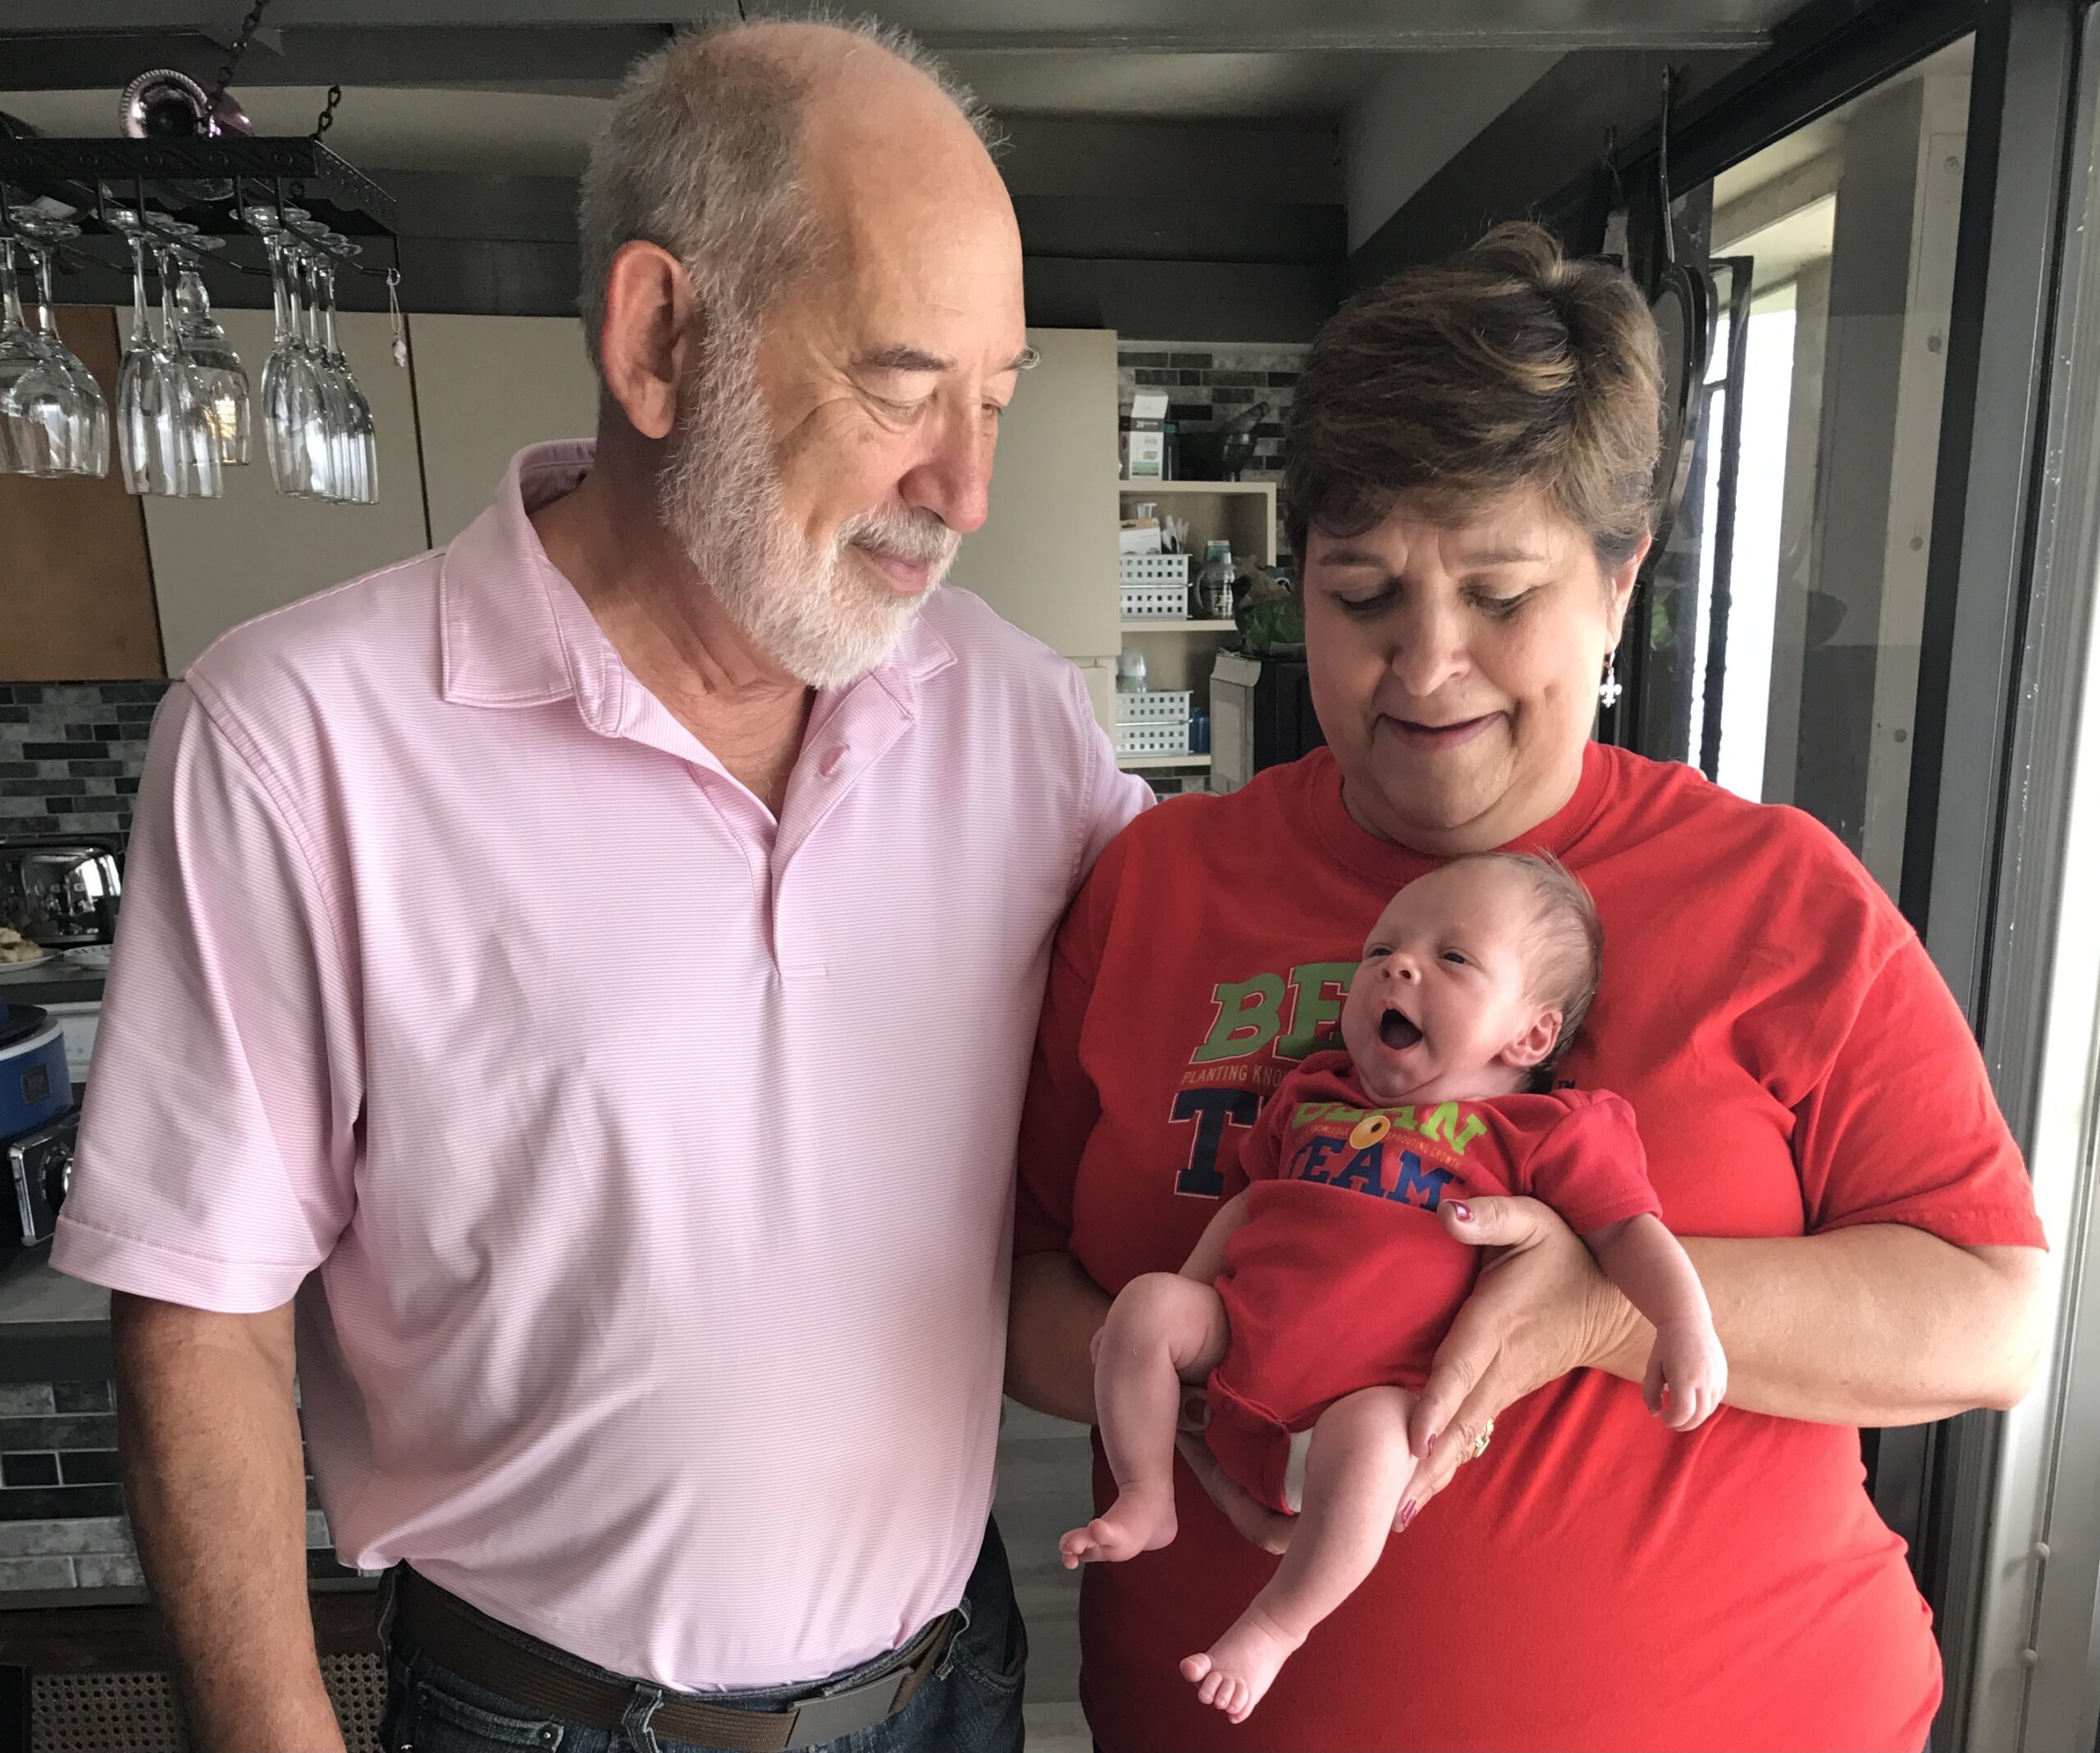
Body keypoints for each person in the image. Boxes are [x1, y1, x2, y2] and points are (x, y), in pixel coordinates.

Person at [52, 21, 1148, 1753]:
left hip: (951, 1689)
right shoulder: (300, 738)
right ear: (657, 337)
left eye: (993, 401)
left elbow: (1234, 1000)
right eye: (900, 383)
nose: (966, 490)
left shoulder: (1020, 724)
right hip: (542, 1721)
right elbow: (197, 1315)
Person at [1004, 222, 2048, 1751]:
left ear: (1619, 583)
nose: (1426, 666)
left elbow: (1989, 1321)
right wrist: (1185, 1377)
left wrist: (1607, 1312)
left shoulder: (1777, 892)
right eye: (1364, 595)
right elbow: (1022, 1288)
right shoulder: (1160, 882)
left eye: (1500, 594)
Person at [1063, 854, 1723, 1724]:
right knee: (1145, 1303)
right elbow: (1249, 1207)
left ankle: (1274, 1625)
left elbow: (1628, 1230)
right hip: (1238, 1345)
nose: (1396, 965)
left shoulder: (1539, 1131)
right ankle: (1147, 1496)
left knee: (1382, 1442)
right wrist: (1178, 1309)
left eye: (1453, 959)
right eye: (1381, 949)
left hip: (1356, 1406)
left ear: (1529, 1035)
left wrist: (1683, 1320)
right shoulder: (1312, 1093)